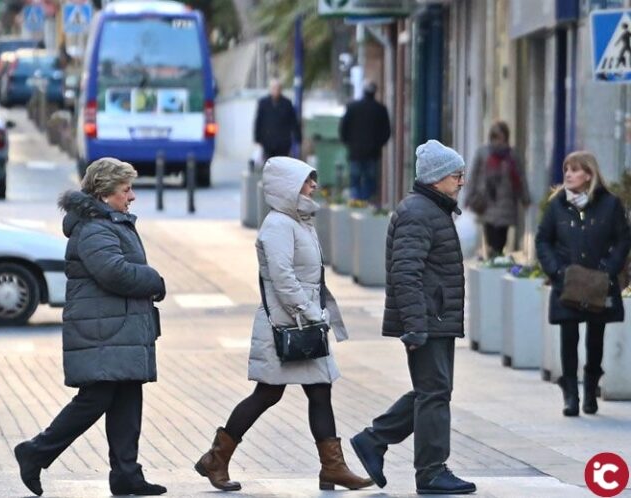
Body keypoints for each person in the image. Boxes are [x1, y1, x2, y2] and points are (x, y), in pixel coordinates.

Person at [194, 156, 372, 492]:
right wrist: (310, 311)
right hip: (287, 325)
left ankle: (332, 467)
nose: (313, 186)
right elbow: (283, 279)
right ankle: (215, 459)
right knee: (267, 394)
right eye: (307, 181)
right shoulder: (278, 225)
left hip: (303, 324)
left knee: (320, 392)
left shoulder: (300, 222)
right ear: (288, 187)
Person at [14, 157, 167, 497]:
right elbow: (114, 272)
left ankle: (127, 474)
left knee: (127, 396)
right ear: (104, 193)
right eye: (126, 190)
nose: (132, 197)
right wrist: (154, 279)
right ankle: (35, 452)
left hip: (116, 327)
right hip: (103, 330)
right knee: (96, 398)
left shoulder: (109, 221)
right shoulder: (95, 228)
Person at [350, 140, 476, 495]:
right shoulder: (420, 213)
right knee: (434, 393)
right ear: (437, 178)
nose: (461, 182)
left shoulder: (431, 210)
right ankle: (431, 472)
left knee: (433, 390)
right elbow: (406, 273)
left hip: (434, 317)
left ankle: (374, 439)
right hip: (429, 319)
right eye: (456, 175)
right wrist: (415, 326)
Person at [535, 151, 631, 417]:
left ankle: (590, 389)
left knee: (596, 339)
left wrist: (608, 270)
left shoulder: (610, 204)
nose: (567, 174)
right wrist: (556, 271)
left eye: (574, 170)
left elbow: (623, 240)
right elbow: (543, 240)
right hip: (567, 282)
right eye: (566, 169)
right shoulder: (557, 206)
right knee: (568, 337)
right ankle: (570, 395)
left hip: (598, 283)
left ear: (588, 174)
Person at [465, 122, 530, 258]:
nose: (497, 140)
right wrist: (469, 197)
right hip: (487, 202)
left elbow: (520, 177)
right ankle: (492, 262)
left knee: (501, 239)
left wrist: (525, 197)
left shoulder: (512, 155)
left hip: (506, 204)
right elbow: (474, 176)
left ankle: (496, 262)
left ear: (506, 137)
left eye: (500, 137)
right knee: (490, 237)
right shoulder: (483, 153)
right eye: (494, 137)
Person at [339, 81, 391, 202]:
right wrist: (379, 144)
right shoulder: (380, 109)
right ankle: (367, 201)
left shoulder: (352, 107)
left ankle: (356, 201)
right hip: (373, 152)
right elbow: (386, 131)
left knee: (355, 179)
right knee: (370, 179)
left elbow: (343, 128)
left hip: (355, 151)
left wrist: (348, 142)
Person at [253, 79, 301, 160]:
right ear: (270, 89)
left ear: (281, 89)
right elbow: (258, 121)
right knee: (269, 164)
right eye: (274, 88)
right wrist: (257, 138)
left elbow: (293, 121)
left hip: (283, 142)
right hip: (268, 141)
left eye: (278, 88)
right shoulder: (263, 103)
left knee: (282, 165)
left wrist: (298, 137)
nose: (276, 90)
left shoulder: (287, 103)